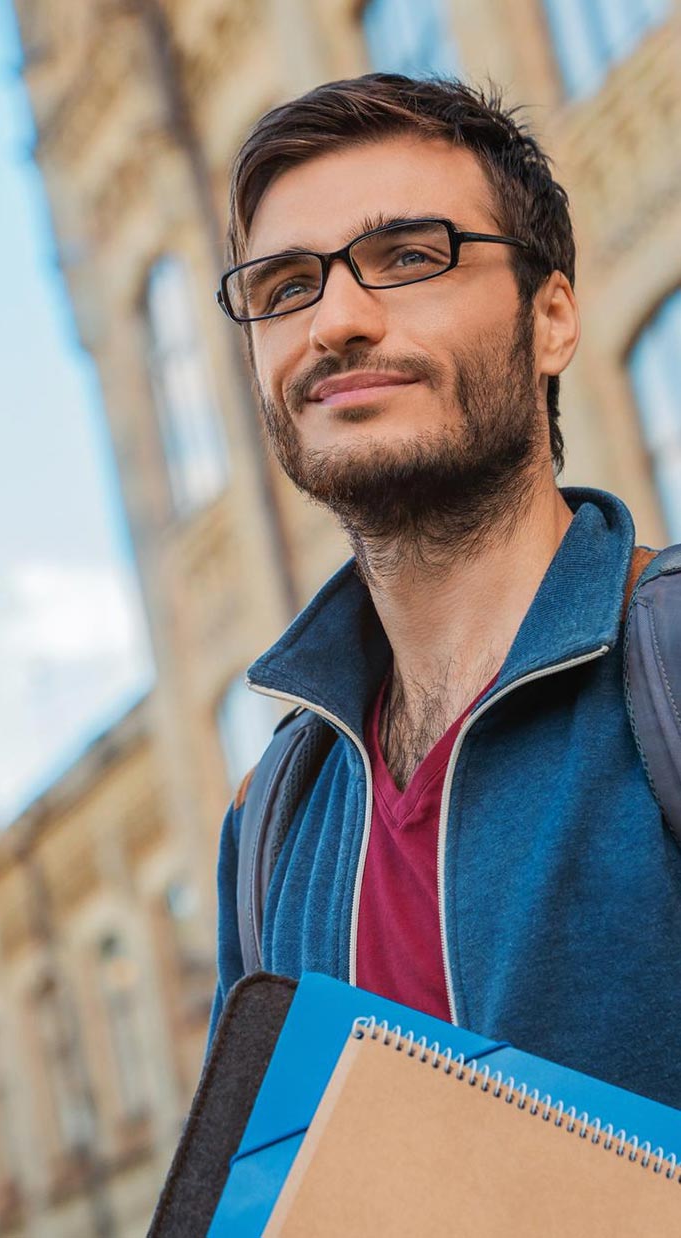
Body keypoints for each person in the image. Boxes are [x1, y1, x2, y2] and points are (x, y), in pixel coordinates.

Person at [209, 74, 681, 1108]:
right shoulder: (271, 822)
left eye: (410, 256)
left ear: (549, 317)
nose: (333, 318)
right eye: (284, 284)